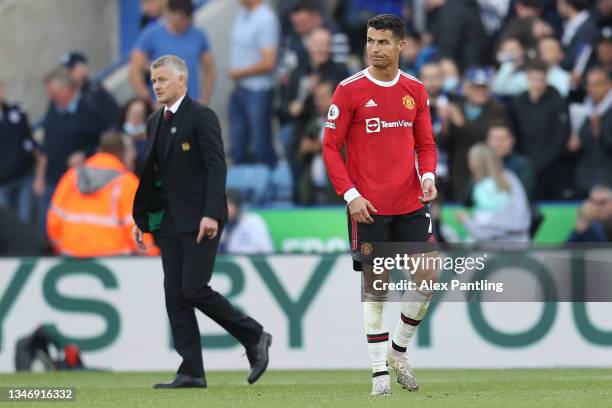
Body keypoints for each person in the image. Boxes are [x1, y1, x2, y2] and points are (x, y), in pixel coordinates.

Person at [131, 55, 271, 389]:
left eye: (162, 79)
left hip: (200, 219)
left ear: (182, 80)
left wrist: (211, 212)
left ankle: (254, 335)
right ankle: (191, 369)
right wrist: (142, 217)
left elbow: (216, 166)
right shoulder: (154, 121)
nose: (157, 85)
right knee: (175, 295)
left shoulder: (202, 116)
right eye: (153, 80)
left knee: (194, 289)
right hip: (168, 222)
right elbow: (154, 176)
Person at [322, 15, 438, 396]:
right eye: (371, 41)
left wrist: (428, 176)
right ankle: (379, 374)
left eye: (383, 42)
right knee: (377, 286)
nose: (375, 48)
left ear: (401, 45)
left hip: (409, 201)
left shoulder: (415, 90)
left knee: (427, 278)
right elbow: (330, 147)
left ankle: (398, 351)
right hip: (368, 206)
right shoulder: (349, 90)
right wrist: (351, 196)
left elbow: (425, 144)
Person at [47, 133, 158, 257]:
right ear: (122, 154)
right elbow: (136, 231)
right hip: (115, 259)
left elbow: (54, 222)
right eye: (131, 155)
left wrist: (62, 249)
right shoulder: (127, 183)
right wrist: (152, 256)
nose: (134, 159)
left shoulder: (72, 176)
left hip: (72, 256)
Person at [38, 67, 109, 238]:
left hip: (78, 181)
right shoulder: (53, 109)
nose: (51, 97)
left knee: (72, 222)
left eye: (54, 92)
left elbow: (105, 143)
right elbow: (47, 145)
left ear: (68, 89)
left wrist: (85, 155)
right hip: (52, 178)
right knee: (46, 222)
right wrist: (40, 175)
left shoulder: (89, 109)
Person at [440, 67, 509, 199]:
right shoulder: (458, 107)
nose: (480, 92)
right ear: (467, 88)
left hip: (488, 168)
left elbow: (487, 136)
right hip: (459, 169)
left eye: (483, 88)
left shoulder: (497, 109)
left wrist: (461, 123)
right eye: (475, 87)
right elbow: (443, 143)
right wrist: (445, 123)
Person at [130, 0, 215, 104]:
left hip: (189, 105)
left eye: (182, 18)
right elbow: (134, 68)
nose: (177, 21)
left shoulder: (198, 35)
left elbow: (209, 69)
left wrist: (204, 99)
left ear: (189, 18)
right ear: (168, 13)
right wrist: (148, 100)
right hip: (161, 106)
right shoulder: (151, 34)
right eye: (174, 16)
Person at [228, 0, 280, 168]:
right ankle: (243, 188)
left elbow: (269, 62)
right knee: (237, 145)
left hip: (258, 90)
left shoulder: (266, 18)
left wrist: (239, 73)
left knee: (260, 145)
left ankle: (269, 187)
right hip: (240, 88)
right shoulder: (243, 14)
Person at [510, 59, 571, 199]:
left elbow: (560, 138)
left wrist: (540, 164)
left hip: (552, 168)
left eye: (541, 80)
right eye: (533, 79)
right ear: (527, 78)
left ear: (547, 79)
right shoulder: (518, 102)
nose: (537, 84)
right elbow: (515, 134)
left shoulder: (558, 101)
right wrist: (524, 163)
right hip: (525, 165)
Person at [457, 143, 531, 242]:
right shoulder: (510, 177)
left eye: (470, 160)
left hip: (495, 245)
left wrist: (466, 220)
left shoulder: (483, 187)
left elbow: (485, 229)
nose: (468, 163)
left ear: (477, 163)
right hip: (520, 240)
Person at [0, 80, 39, 223]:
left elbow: (29, 140)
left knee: (25, 220)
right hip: (2, 183)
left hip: (23, 176)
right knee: (7, 224)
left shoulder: (16, 111)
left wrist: (40, 172)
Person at [572, 67, 612, 196]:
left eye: (597, 84)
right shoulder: (586, 109)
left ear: (608, 85)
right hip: (585, 176)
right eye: (589, 84)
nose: (592, 89)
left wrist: (599, 133)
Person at [61, 51, 120, 130]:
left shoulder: (95, 90)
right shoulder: (64, 95)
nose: (68, 74)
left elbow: (114, 114)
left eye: (72, 69)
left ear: (83, 69)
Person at [425, 0, 485, 70]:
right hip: (470, 64)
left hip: (463, 67)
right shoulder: (458, 6)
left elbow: (447, 48)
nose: (425, 1)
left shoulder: (453, 11)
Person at [219, 189, 274, 254]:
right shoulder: (219, 225)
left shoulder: (253, 222)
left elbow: (267, 250)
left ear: (237, 206)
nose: (223, 208)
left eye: (228, 204)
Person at [558, 0, 600, 72]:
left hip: (580, 73)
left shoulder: (586, 25)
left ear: (569, 5)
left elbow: (584, 48)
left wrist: (577, 71)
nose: (558, 8)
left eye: (560, 5)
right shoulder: (571, 22)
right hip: (567, 69)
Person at [118, 96, 154, 173]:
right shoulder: (115, 133)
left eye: (140, 114)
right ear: (126, 113)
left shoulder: (151, 138)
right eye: (133, 113)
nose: (136, 118)